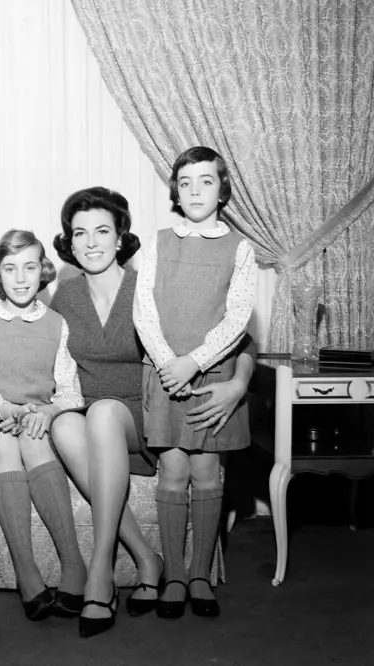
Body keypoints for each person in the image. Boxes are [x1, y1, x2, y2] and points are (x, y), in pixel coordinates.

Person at [49, 186, 255, 638]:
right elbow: (42, 360)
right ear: (69, 241)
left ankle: (100, 571)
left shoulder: (149, 283)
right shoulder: (64, 296)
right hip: (95, 420)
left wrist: (239, 382)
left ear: (121, 237)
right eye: (79, 233)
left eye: (102, 230)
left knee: (102, 413)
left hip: (146, 415)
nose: (90, 242)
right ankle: (146, 557)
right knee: (64, 426)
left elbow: (238, 337)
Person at [133, 146, 257, 620]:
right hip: (165, 375)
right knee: (173, 471)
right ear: (175, 191)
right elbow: (144, 311)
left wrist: (195, 362)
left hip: (213, 375)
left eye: (206, 181)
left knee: (206, 473)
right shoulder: (159, 241)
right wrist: (170, 363)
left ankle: (201, 573)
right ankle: (175, 577)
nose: (196, 191)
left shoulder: (239, 248)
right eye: (186, 182)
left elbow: (238, 317)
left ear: (222, 188)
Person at [0, 230, 87, 623]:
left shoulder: (56, 324)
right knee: (4, 447)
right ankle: (25, 570)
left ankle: (73, 564)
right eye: (10, 268)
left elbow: (71, 391)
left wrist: (45, 413)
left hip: (37, 418)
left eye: (29, 267)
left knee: (33, 442)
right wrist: (4, 408)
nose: (19, 278)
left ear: (42, 271)